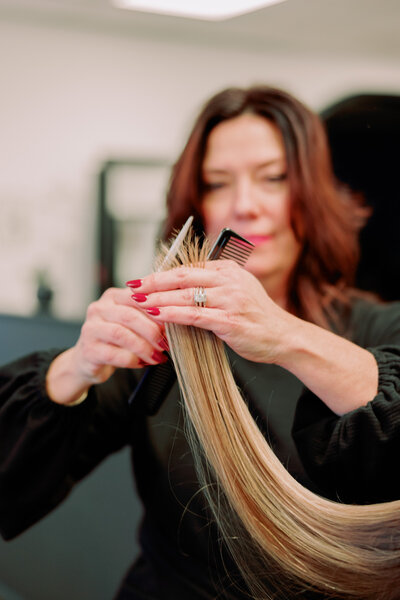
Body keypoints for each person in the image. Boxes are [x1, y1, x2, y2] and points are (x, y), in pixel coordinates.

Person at [1, 86, 400, 600]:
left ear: (312, 192)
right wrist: (77, 366)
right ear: (195, 204)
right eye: (217, 183)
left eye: (274, 178)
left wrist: (284, 335)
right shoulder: (162, 340)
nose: (245, 206)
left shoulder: (380, 327)